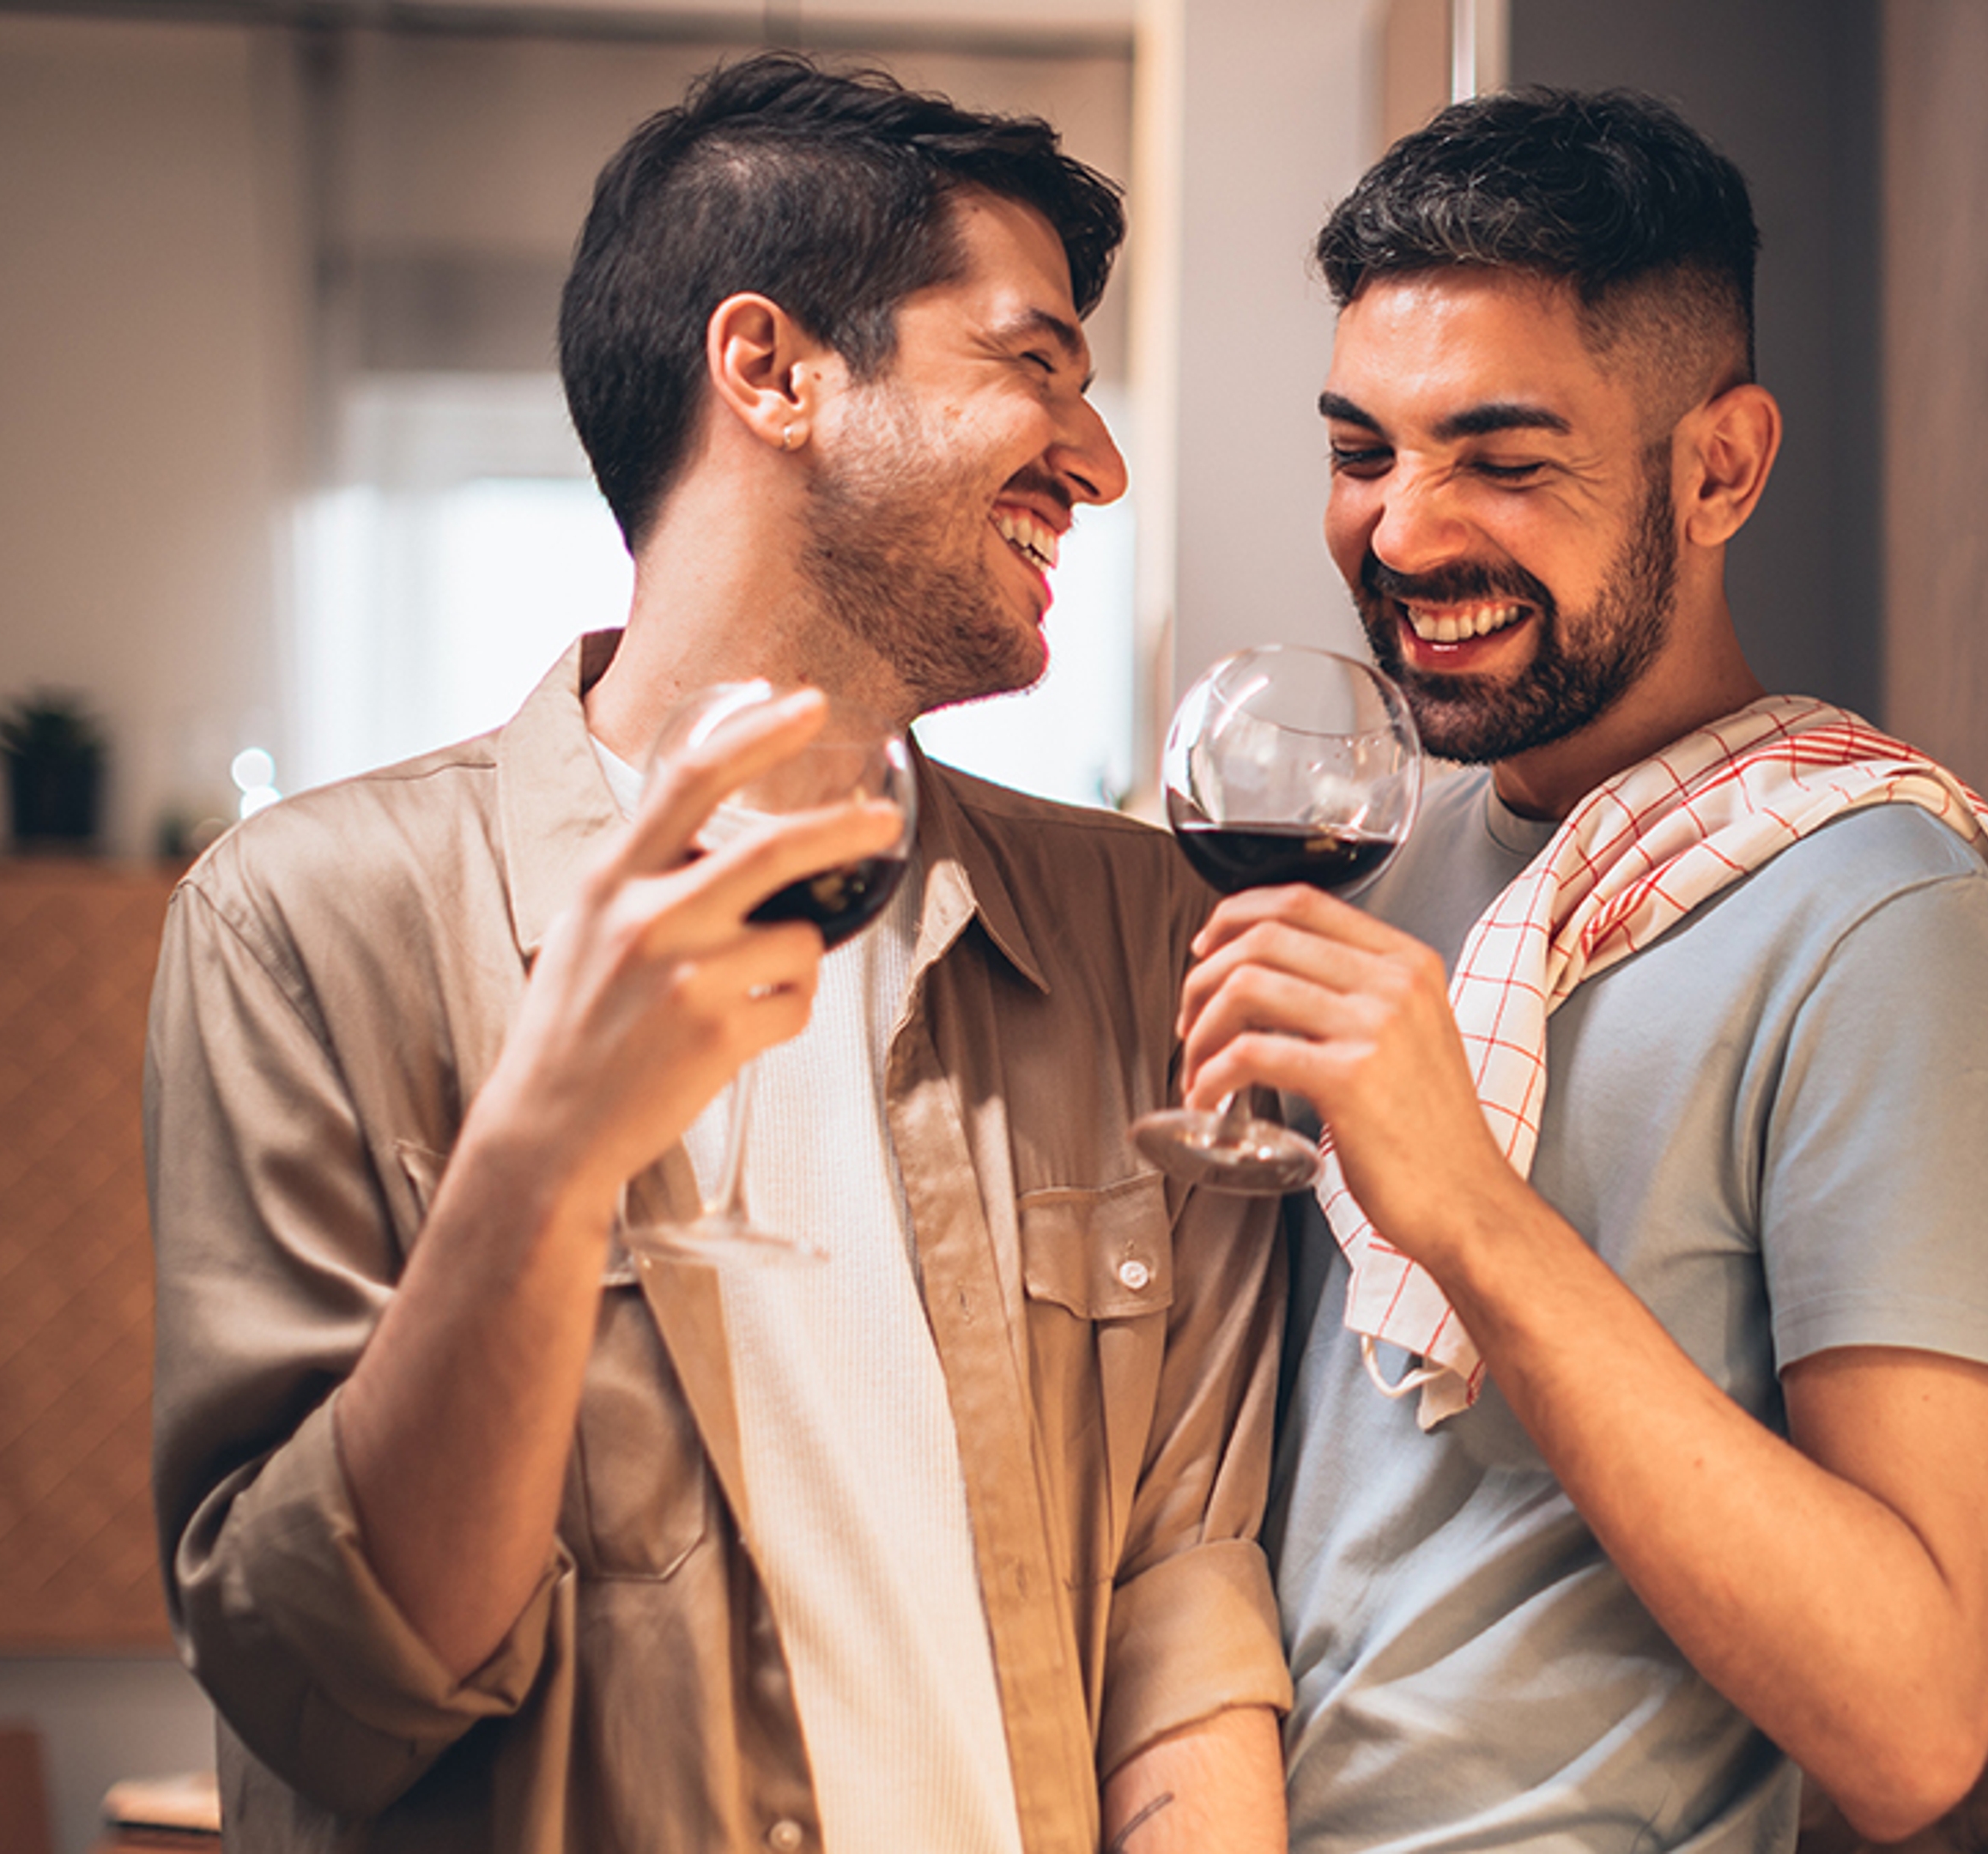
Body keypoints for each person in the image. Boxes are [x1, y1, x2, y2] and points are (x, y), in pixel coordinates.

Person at [147, 56, 1287, 1852]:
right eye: (1032, 362)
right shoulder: (304, 923)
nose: (1101, 458)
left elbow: (1188, 1594)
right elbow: (324, 1680)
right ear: (771, 370)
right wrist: (539, 1159)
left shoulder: (1142, 929)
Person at [1180, 89, 1988, 1853]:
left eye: (1504, 461)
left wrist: (1468, 1201)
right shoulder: (1392, 856)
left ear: (1722, 466)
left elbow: (1917, 1724)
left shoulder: (1882, 919)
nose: (1402, 534)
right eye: (1363, 452)